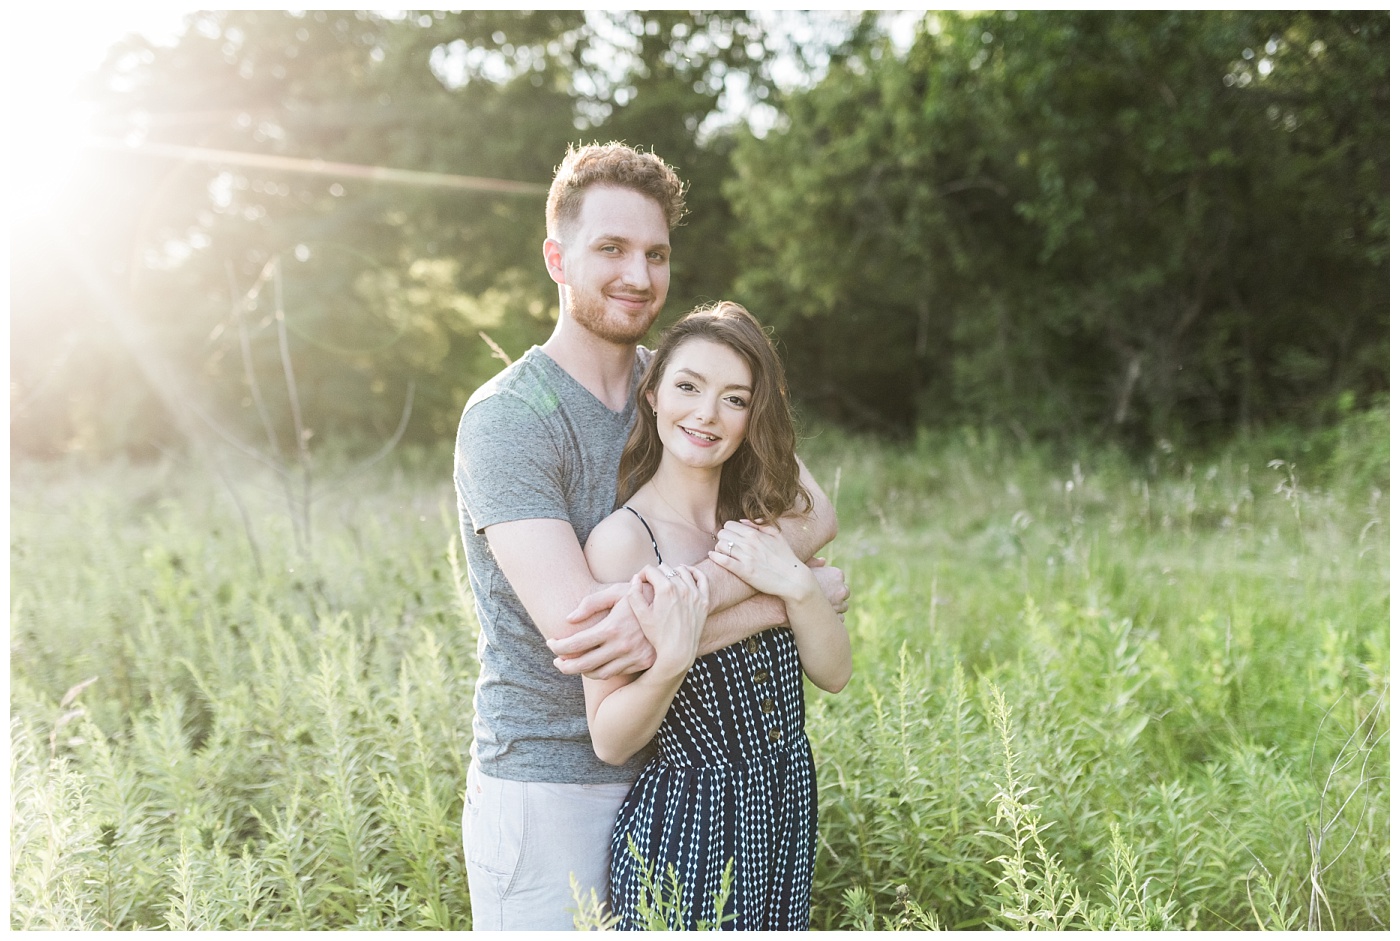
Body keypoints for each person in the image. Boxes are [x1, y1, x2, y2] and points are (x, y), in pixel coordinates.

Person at [453, 142, 849, 931]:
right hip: (549, 788)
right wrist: (782, 599)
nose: (639, 275)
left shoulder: (678, 383)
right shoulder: (509, 418)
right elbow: (594, 638)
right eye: (612, 249)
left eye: (656, 253)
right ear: (556, 256)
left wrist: (718, 591)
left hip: (675, 781)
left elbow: (814, 512)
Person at [581, 301, 851, 931]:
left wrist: (799, 590)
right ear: (652, 395)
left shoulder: (761, 524)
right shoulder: (627, 542)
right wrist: (670, 661)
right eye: (687, 386)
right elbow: (610, 737)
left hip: (785, 804)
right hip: (691, 827)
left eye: (735, 398)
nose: (706, 414)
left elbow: (834, 675)